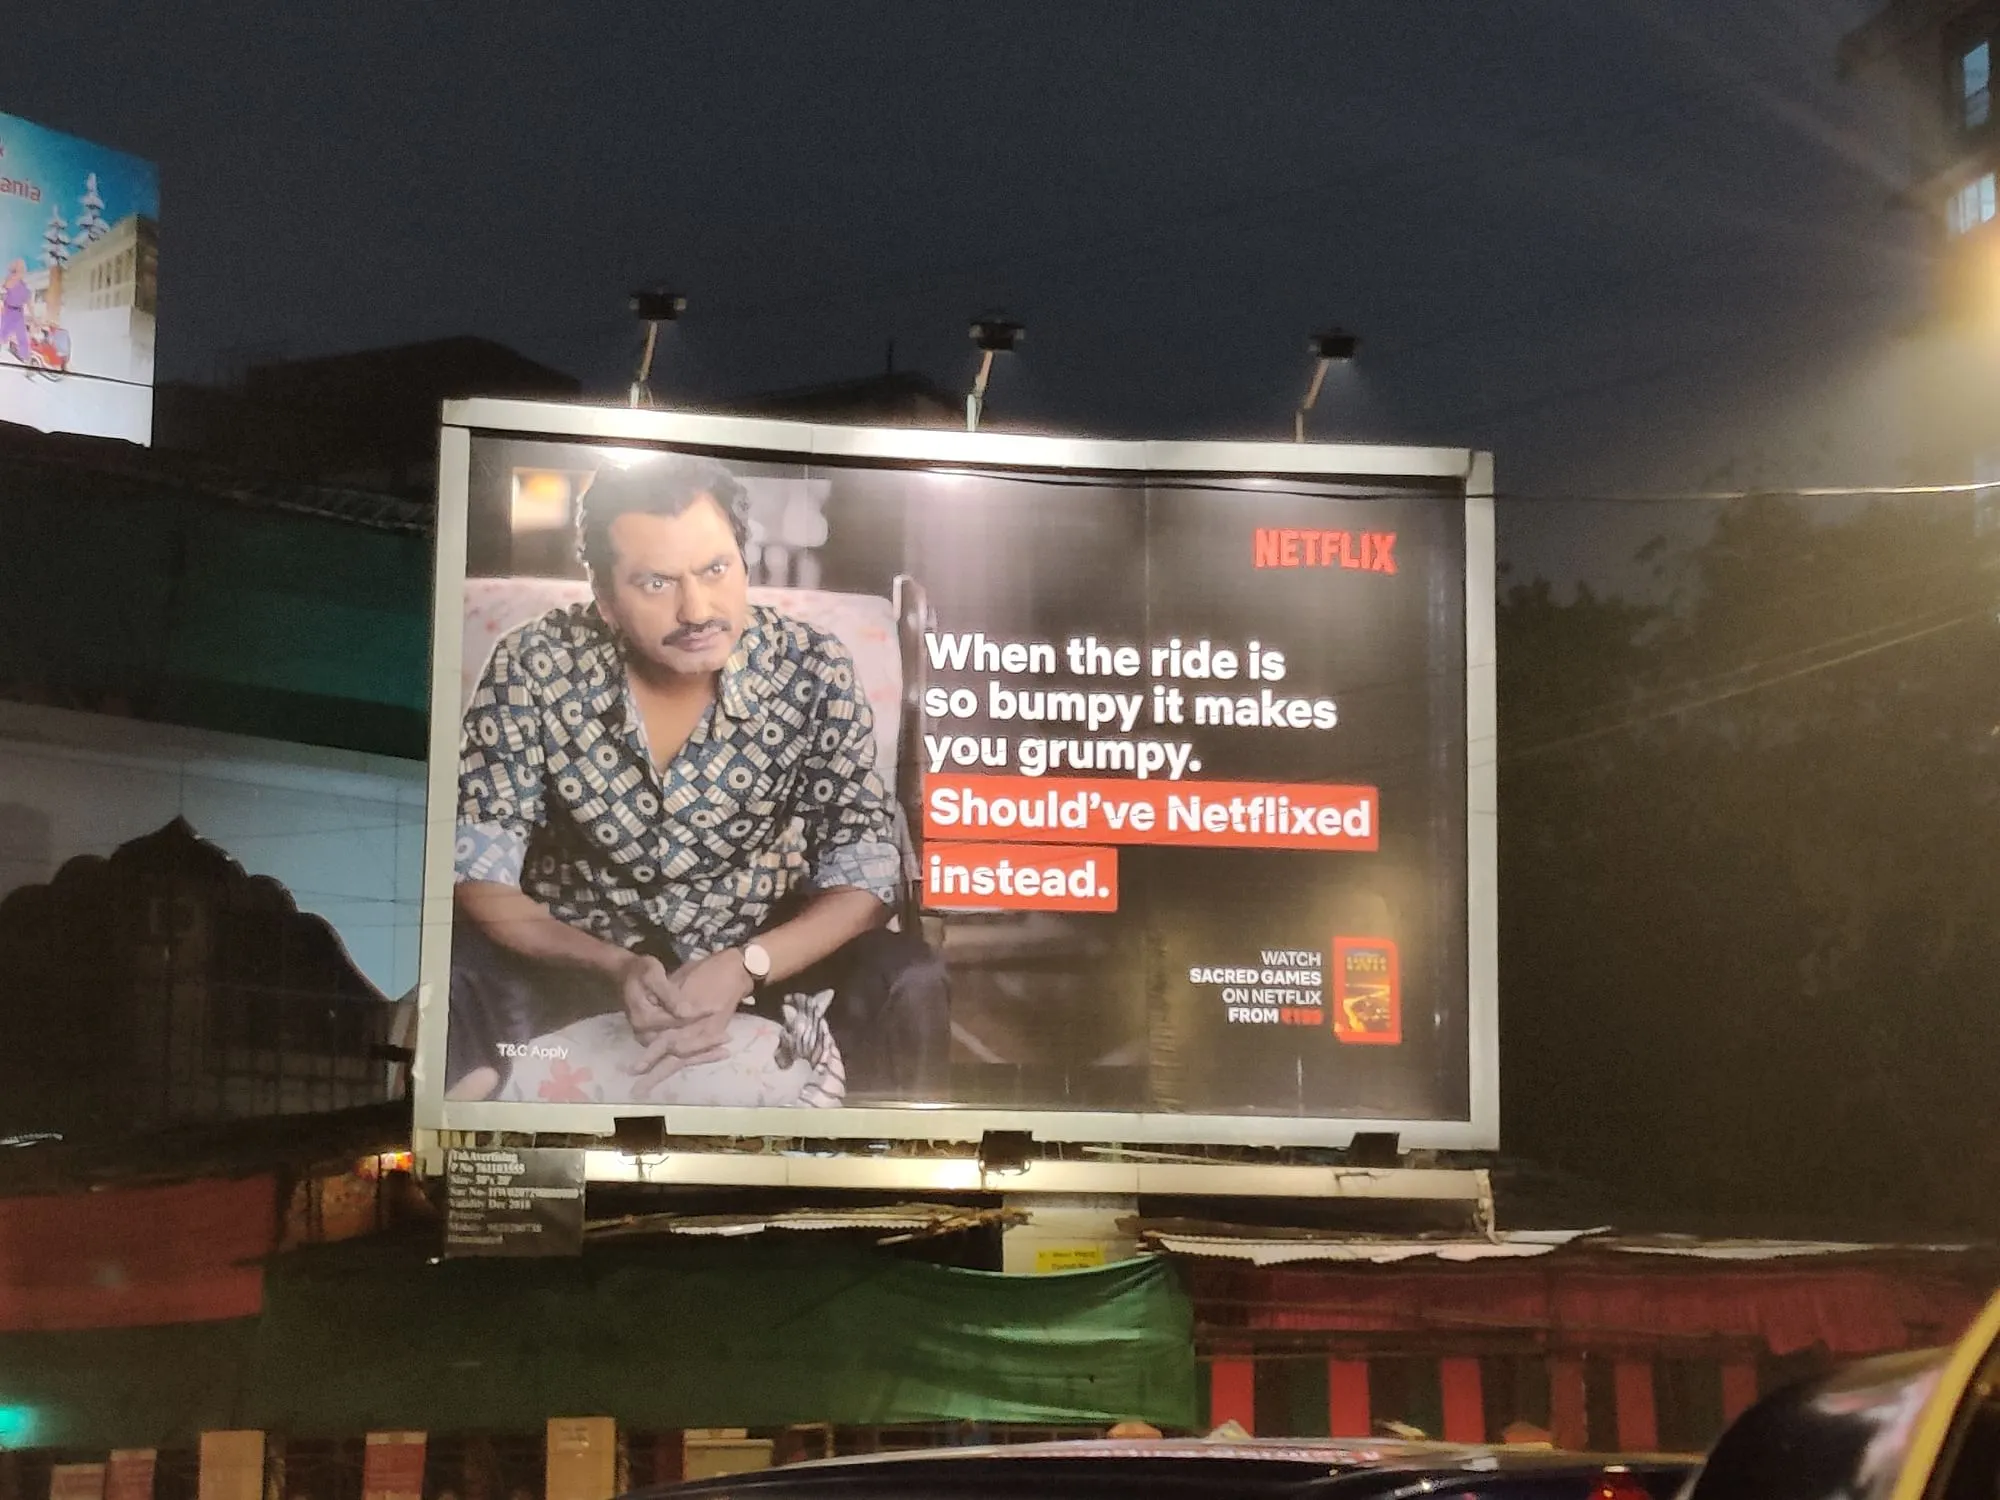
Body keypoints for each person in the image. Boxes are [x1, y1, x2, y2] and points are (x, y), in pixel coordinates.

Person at [448, 454, 947, 1103]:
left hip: (765, 962)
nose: (697, 608)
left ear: (743, 563)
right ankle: (473, 1140)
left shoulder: (811, 668)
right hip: (571, 962)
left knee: (908, 976)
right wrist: (613, 963)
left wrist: (747, 966)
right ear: (605, 601)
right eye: (655, 583)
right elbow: (480, 873)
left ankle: (888, 1167)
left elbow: (868, 874)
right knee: (453, 975)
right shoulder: (532, 663)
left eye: (715, 570)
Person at [0, 262, 31, 362]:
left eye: (23, 270)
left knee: (22, 337)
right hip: (8, 311)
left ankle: (27, 361)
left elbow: (28, 302)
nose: (22, 272)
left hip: (19, 313)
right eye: (20, 269)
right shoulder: (9, 281)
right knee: (3, 334)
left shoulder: (24, 286)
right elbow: (2, 293)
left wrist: (34, 317)